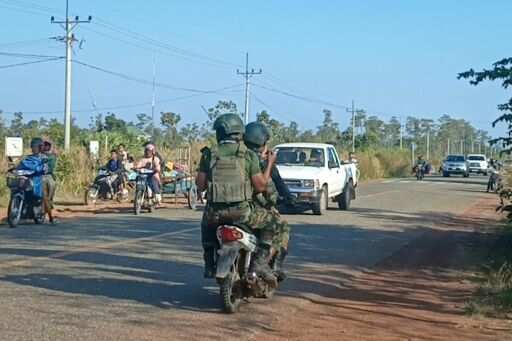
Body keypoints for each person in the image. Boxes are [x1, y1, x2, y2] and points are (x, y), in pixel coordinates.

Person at [196, 113, 278, 283]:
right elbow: (261, 186)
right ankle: (260, 263)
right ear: (240, 134)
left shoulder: (209, 154)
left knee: (205, 224)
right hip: (243, 213)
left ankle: (209, 262)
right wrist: (270, 163)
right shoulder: (248, 155)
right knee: (272, 223)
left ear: (218, 134)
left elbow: (201, 186)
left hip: (215, 214)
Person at [244, 121, 293, 281]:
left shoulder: (236, 158)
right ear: (262, 144)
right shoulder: (263, 164)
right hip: (255, 211)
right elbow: (270, 189)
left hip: (232, 209)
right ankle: (270, 265)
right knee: (282, 228)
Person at [42, 138, 59, 224]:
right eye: (44, 145)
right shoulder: (37, 154)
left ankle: (49, 201)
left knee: (51, 184)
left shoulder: (52, 156)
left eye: (47, 145)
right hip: (35, 174)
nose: (45, 147)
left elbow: (50, 167)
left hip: (47, 174)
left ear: (50, 146)